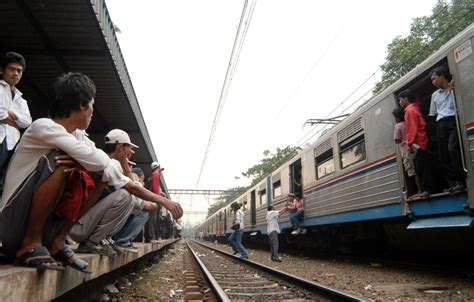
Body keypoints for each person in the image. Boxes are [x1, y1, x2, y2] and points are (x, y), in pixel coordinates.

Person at [0, 72, 111, 272]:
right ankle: (30, 244)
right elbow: (97, 159)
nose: (93, 111)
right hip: (11, 224)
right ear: (82, 104)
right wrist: (83, 163)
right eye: (92, 104)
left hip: (47, 229)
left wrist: (84, 165)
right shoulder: (43, 127)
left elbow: (106, 165)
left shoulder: (76, 135)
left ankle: (58, 242)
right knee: (61, 161)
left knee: (102, 175)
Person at [70, 129, 182, 256]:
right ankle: (93, 241)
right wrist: (164, 201)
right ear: (120, 147)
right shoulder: (109, 163)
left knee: (130, 198)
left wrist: (125, 166)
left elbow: (134, 188)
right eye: (128, 147)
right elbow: (133, 188)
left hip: (78, 224)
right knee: (126, 196)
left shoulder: (104, 160)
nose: (130, 152)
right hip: (77, 226)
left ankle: (102, 239)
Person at [429, 66, 466, 192]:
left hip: (453, 121)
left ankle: (461, 180)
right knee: (444, 154)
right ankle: (453, 184)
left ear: (442, 76)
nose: (433, 82)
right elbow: (433, 113)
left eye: (434, 79)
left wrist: (455, 90)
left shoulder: (455, 88)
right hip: (440, 124)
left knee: (453, 150)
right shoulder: (434, 95)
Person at [0, 52, 32, 186]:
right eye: (12, 69)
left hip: (13, 142)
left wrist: (9, 115)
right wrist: (16, 122)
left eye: (19, 71)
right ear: (1, 70)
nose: (16, 73)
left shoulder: (21, 99)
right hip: (1, 139)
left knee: (5, 180)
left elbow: (27, 122)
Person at [398, 89, 434, 197]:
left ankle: (427, 190)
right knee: (424, 166)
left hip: (417, 143)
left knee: (421, 168)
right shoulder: (415, 108)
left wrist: (409, 144)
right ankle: (427, 189)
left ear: (405, 99)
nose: (400, 102)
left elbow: (412, 129)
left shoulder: (409, 111)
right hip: (422, 141)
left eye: (400, 100)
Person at [392, 107, 422, 198]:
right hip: (414, 147)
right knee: (418, 169)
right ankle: (422, 189)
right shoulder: (407, 123)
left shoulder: (398, 125)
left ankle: (420, 191)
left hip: (406, 150)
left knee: (413, 171)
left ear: (397, 118)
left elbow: (397, 140)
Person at [145, 161, 164, 243]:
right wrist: (160, 199)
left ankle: (151, 237)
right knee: (152, 219)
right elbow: (156, 191)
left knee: (152, 219)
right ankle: (151, 237)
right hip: (154, 200)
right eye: (160, 169)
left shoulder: (153, 176)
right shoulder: (155, 175)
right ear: (158, 168)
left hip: (152, 199)